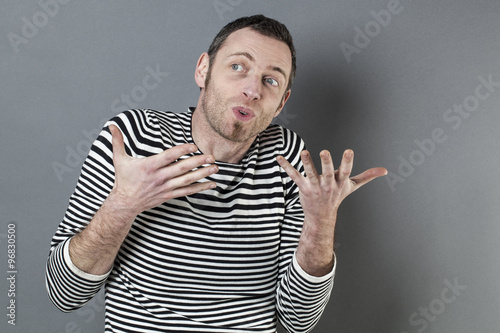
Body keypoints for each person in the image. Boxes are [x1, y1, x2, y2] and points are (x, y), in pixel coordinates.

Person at [45, 14, 386, 332]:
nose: (252, 90)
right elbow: (64, 293)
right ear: (203, 70)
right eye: (238, 67)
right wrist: (123, 204)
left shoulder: (289, 158)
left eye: (270, 80)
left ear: (281, 103)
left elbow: (297, 320)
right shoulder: (135, 138)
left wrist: (321, 226)